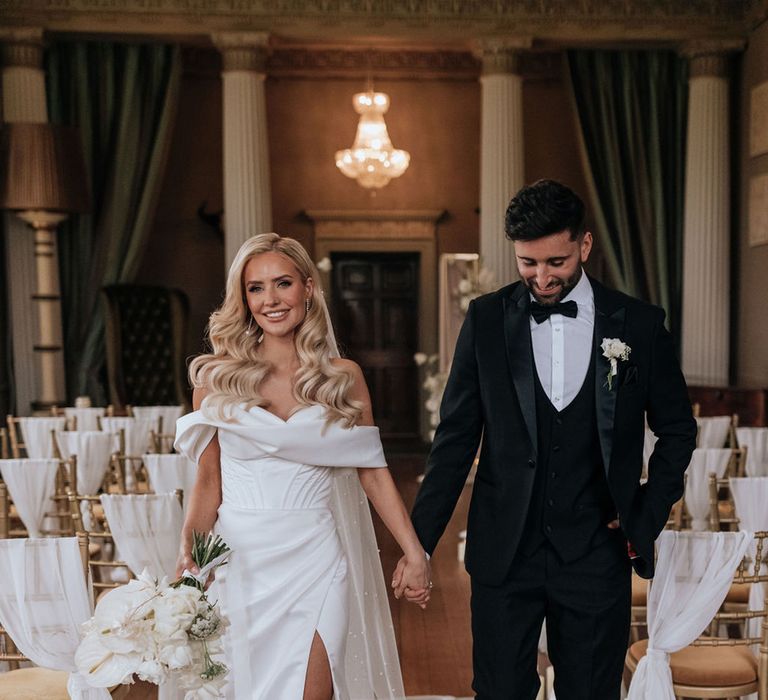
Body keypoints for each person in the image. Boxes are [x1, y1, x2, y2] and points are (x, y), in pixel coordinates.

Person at [404, 180, 697, 699]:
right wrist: (417, 544)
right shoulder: (487, 319)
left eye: (555, 262)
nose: (541, 278)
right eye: (527, 263)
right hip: (504, 551)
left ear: (584, 246)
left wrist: (646, 511)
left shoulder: (641, 325)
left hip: (595, 552)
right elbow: (454, 440)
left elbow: (677, 430)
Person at [174, 232, 430, 700]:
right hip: (240, 561)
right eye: (256, 288)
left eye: (283, 284)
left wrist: (414, 552)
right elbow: (208, 482)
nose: (270, 300)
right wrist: (189, 555)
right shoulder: (215, 379)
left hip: (316, 557)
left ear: (308, 288)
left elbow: (372, 471)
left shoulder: (342, 377)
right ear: (243, 298)